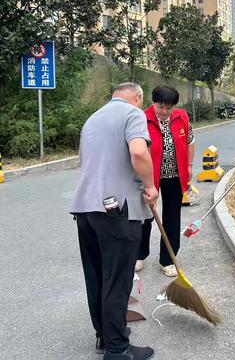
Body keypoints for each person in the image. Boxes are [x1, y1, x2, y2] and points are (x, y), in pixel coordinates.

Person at [71, 82, 158, 360]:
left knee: (97, 276)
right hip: (116, 210)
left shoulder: (92, 119)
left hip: (85, 208)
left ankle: (104, 337)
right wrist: (150, 185)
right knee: (118, 280)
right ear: (138, 97)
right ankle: (118, 349)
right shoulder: (133, 114)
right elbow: (138, 152)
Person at [135, 86, 195, 277]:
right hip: (149, 175)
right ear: (153, 103)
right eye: (161, 107)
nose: (164, 112)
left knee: (172, 216)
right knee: (145, 216)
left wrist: (189, 166)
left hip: (174, 174)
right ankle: (139, 254)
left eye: (169, 108)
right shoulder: (142, 119)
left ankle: (168, 259)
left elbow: (190, 141)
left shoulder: (181, 116)